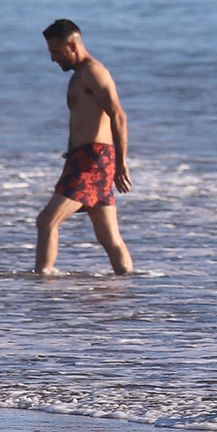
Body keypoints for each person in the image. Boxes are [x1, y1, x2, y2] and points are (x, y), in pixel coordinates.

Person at [36, 18, 133, 275]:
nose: (53, 59)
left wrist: (121, 163)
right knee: (109, 238)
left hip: (93, 160)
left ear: (73, 45)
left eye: (56, 52)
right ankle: (130, 285)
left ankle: (43, 285)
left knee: (47, 221)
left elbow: (118, 115)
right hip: (86, 159)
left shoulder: (93, 71)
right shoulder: (80, 75)